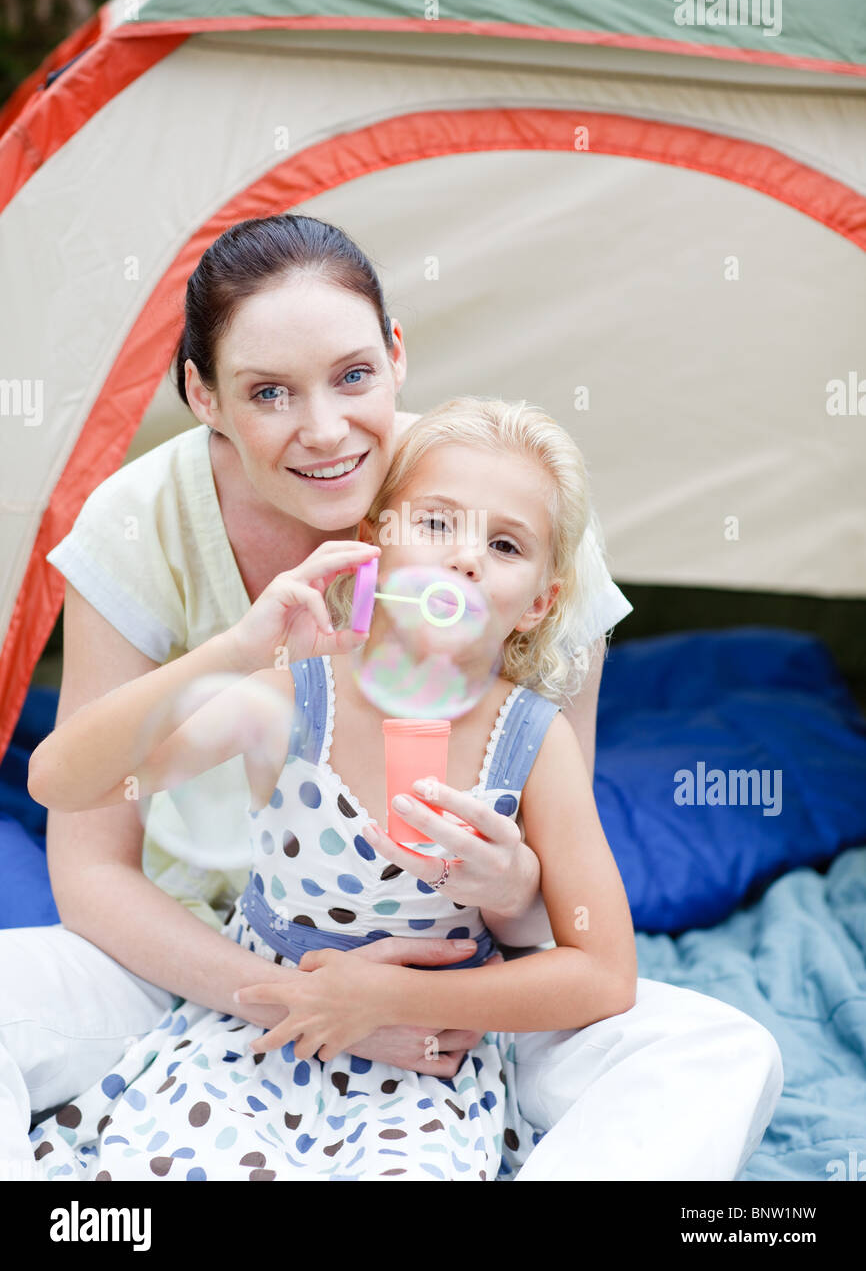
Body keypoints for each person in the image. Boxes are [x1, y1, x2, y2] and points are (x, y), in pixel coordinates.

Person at [2, 214, 782, 1181]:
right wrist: (309, 1002)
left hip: (452, 1003)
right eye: (269, 392)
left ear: (396, 354)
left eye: (353, 374)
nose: (325, 430)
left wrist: (502, 911)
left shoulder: (520, 501)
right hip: (185, 961)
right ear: (201, 394)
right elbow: (82, 843)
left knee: (725, 1052)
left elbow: (570, 913)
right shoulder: (153, 536)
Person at [27, 396, 642, 1181]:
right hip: (252, 1049)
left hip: (422, 1072)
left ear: (541, 604)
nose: (465, 559)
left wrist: (391, 1003)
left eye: (505, 544)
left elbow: (603, 972)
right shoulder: (295, 698)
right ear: (372, 547)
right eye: (436, 523)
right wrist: (237, 650)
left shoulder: (530, 741)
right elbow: (60, 781)